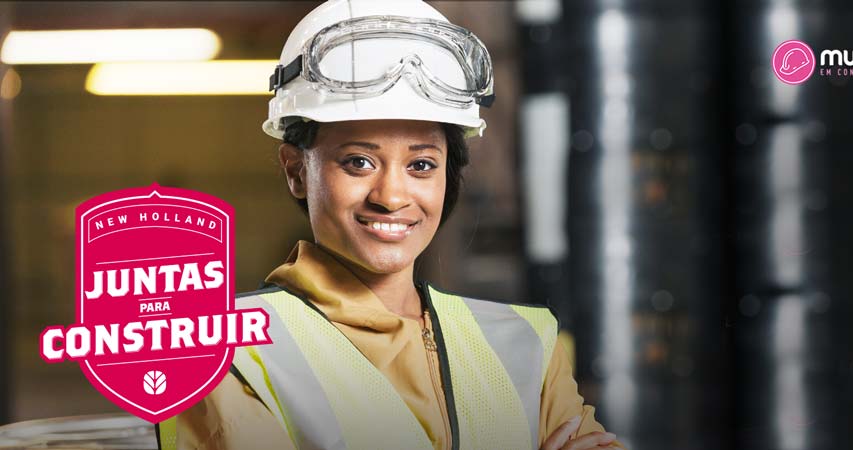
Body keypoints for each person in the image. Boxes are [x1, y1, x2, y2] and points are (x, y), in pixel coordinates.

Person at [155, 1, 625, 449]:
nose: (392, 197)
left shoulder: (522, 343)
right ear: (296, 170)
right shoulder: (224, 353)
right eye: (358, 162)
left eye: (421, 165)